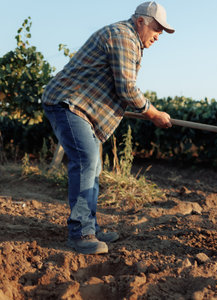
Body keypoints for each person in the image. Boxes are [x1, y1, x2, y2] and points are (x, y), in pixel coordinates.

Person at [42, 1, 174, 254]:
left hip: (81, 108)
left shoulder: (131, 40)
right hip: (68, 104)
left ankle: (89, 227)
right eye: (157, 29)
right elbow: (127, 89)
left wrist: (145, 110)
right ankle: (80, 234)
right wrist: (154, 112)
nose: (159, 36)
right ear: (141, 22)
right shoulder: (123, 36)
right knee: (86, 161)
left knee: (93, 166)